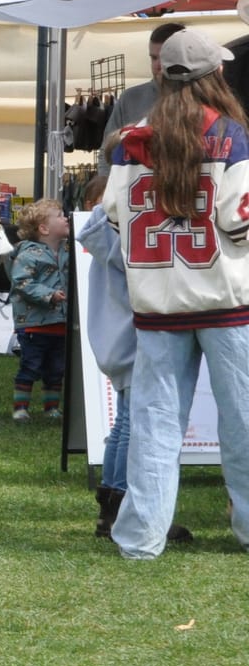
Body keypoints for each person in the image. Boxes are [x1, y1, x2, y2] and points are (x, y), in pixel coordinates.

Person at [104, 30, 249, 560]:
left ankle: (141, 537)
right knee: (244, 422)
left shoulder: (131, 139)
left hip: (158, 303)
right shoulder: (231, 136)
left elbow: (115, 216)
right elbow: (239, 223)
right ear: (215, 76)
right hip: (226, 300)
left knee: (154, 425)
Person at [8, 198, 70, 422]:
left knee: (56, 369)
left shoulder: (66, 252)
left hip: (60, 323)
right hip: (34, 324)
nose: (66, 218)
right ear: (43, 228)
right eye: (60, 215)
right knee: (30, 366)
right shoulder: (28, 254)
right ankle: (20, 407)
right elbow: (22, 282)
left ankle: (51, 408)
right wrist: (48, 295)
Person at [102, 22, 186, 162]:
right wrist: (105, 180)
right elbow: (107, 149)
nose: (158, 65)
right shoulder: (130, 98)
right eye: (153, 58)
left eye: (164, 57)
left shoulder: (198, 96)